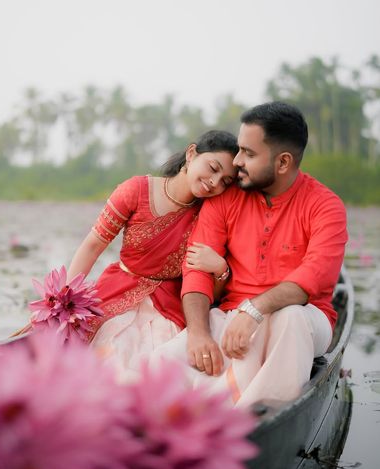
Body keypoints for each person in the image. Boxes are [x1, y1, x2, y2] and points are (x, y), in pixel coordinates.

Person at [150, 101, 348, 409]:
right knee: (160, 364)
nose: (237, 161)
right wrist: (199, 333)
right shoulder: (227, 198)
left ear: (283, 162)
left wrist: (254, 310)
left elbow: (316, 275)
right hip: (233, 316)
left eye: (249, 153)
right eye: (240, 149)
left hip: (305, 319)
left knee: (289, 317)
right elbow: (197, 269)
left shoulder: (325, 206)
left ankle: (252, 414)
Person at [66, 130, 238, 375]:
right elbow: (93, 245)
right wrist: (67, 299)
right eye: (213, 168)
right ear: (191, 154)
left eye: (225, 181)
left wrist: (221, 269)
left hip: (171, 305)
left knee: (156, 364)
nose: (215, 182)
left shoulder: (210, 214)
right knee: (106, 352)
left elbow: (210, 292)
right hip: (117, 291)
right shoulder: (135, 191)